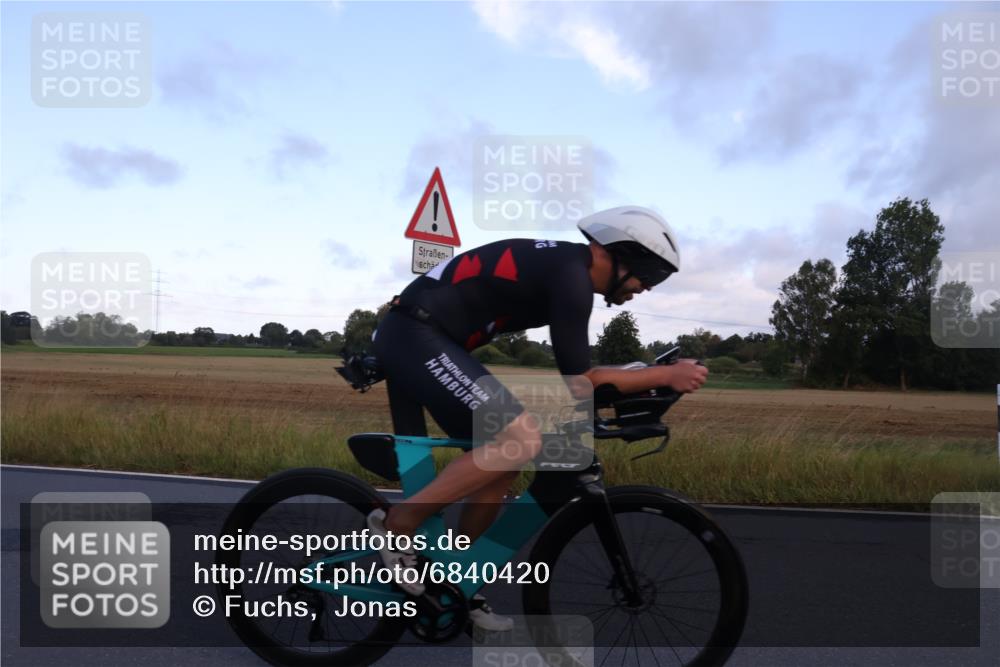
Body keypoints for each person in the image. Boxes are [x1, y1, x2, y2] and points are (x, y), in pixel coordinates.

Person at [367, 205, 708, 631]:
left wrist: (645, 375)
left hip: (427, 337)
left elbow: (582, 375)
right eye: (648, 276)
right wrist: (665, 375)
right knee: (520, 440)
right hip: (414, 335)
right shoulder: (572, 277)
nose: (645, 288)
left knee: (500, 463)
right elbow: (581, 382)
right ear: (620, 255)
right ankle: (398, 525)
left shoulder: (568, 269)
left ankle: (455, 579)